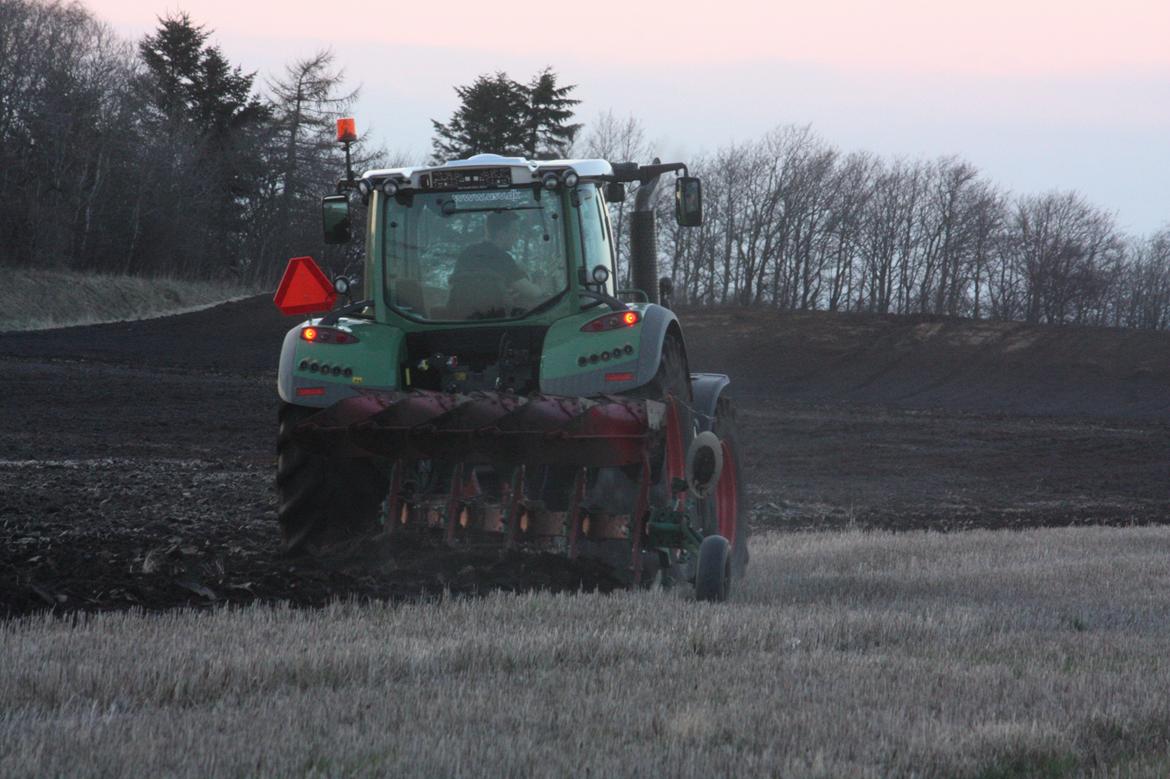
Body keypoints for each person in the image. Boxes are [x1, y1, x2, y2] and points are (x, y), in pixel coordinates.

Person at [452, 211, 542, 307]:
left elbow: (453, 285)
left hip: (460, 314)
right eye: (515, 231)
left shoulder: (467, 253)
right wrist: (541, 282)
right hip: (495, 317)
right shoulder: (503, 258)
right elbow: (534, 293)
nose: (517, 237)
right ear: (502, 233)